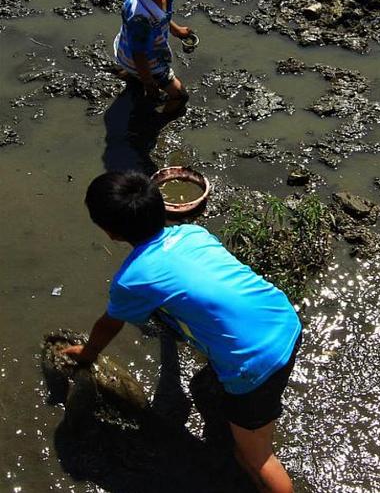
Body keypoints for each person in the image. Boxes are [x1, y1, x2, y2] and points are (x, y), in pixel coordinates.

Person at [62, 171, 301, 493]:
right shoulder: (193, 234)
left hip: (252, 362)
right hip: (283, 319)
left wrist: (87, 354)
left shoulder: (132, 279)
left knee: (254, 457)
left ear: (109, 232)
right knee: (210, 386)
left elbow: (110, 323)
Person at [113, 0, 193, 118]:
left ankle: (132, 76)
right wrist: (149, 83)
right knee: (180, 96)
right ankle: (156, 122)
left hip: (124, 48)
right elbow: (139, 54)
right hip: (146, 62)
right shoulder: (140, 17)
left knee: (135, 74)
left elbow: (161, 18)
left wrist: (176, 30)